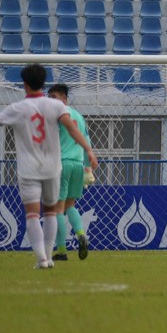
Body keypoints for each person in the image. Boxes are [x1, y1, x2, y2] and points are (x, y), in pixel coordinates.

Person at [0, 63, 97, 271]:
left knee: (33, 214)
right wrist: (89, 151)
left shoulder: (18, 107)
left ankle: (43, 259)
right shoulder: (58, 107)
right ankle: (51, 254)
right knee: (53, 211)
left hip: (30, 168)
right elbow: (74, 130)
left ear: (24, 84)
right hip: (55, 166)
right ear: (43, 83)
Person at [47, 83, 91, 262]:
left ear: (64, 98)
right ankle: (81, 234)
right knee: (70, 205)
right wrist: (87, 167)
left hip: (62, 164)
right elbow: (87, 140)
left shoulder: (56, 116)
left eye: (55, 97)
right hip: (78, 164)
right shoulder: (79, 117)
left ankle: (62, 251)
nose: (51, 101)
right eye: (49, 98)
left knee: (57, 207)